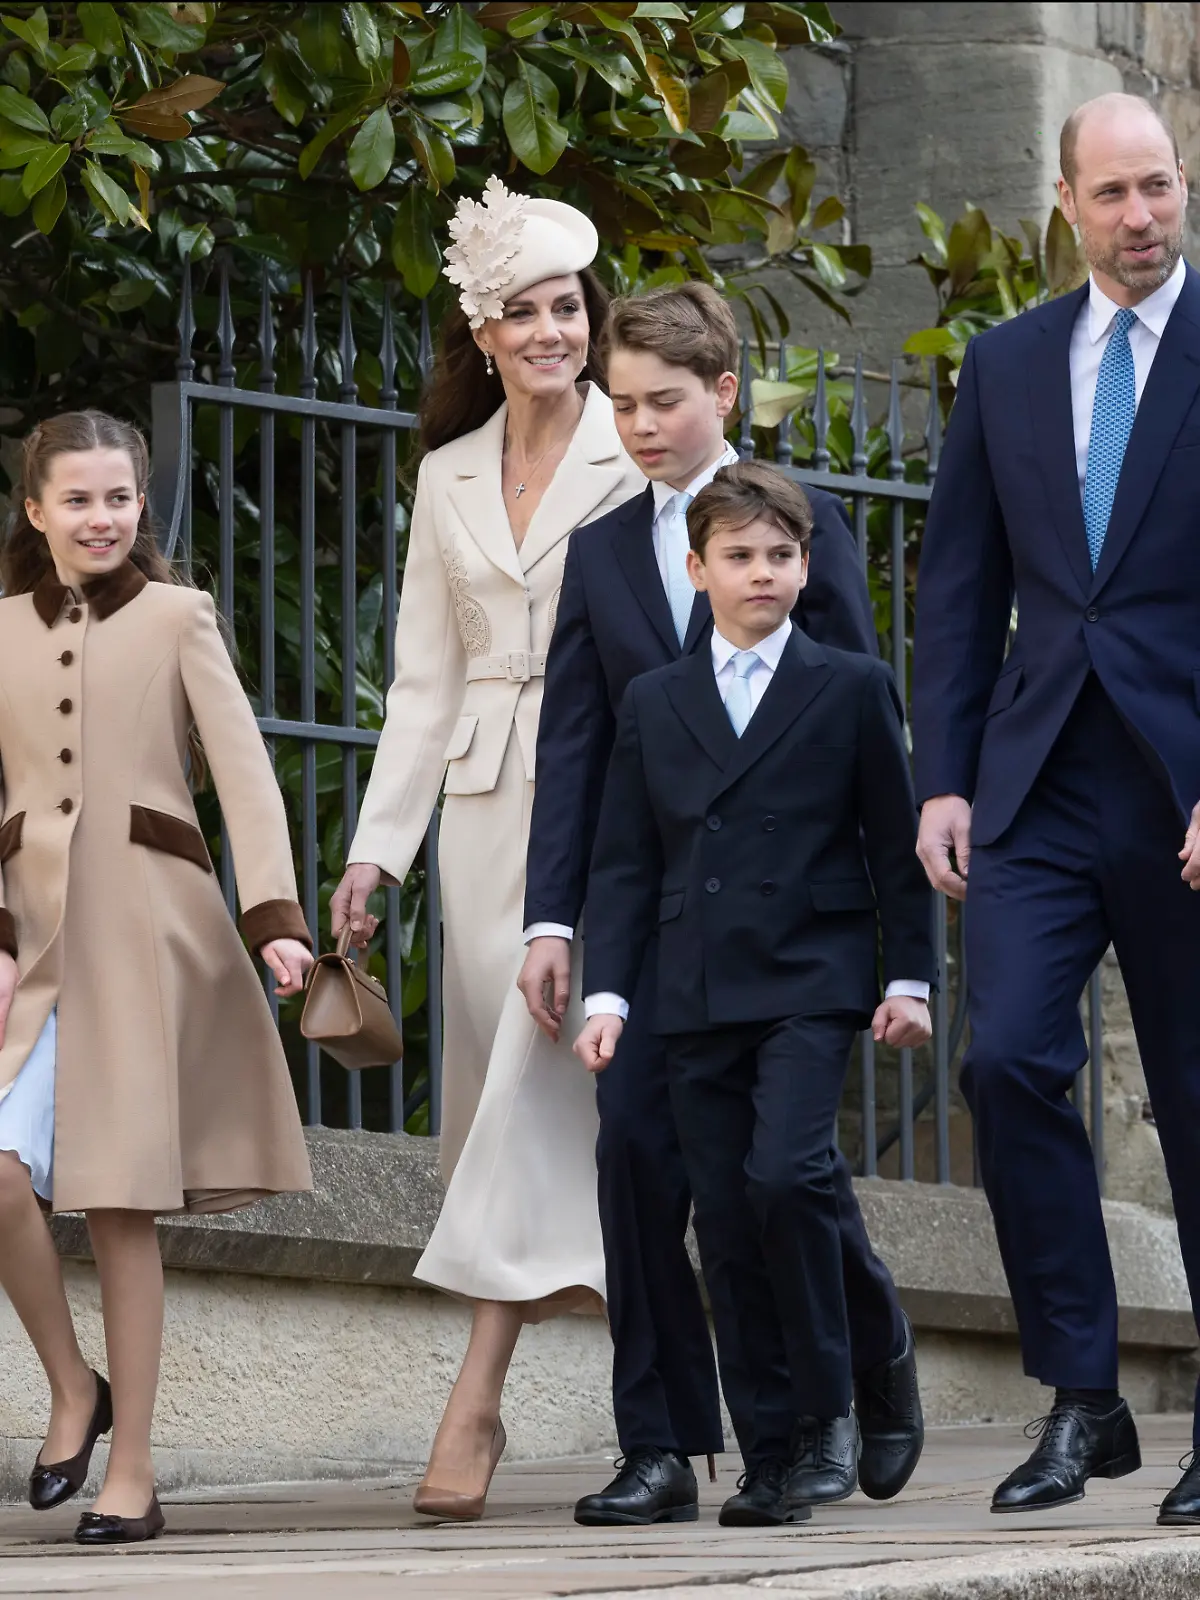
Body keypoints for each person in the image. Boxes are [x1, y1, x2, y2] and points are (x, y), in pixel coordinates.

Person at [520, 285, 926, 1527]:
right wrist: (556, 925)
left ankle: (868, 1355)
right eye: (621, 404)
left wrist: (892, 954)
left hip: (792, 942)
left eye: (662, 403)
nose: (638, 426)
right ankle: (661, 1443)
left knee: (782, 1176)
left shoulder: (799, 530)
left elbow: (861, 726)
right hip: (664, 941)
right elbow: (580, 750)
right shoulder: (599, 551)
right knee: (636, 1154)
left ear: (724, 395)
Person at [330, 177, 643, 1520]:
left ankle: (477, 1396)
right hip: (474, 814)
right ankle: (726, 1384)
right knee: (535, 1112)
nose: (551, 331)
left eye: (568, 307)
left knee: (545, 1072)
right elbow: (421, 679)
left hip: (609, 806)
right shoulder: (444, 474)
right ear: (486, 332)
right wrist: (373, 856)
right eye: (523, 312)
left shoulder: (640, 451)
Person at [911, 92, 1200, 1522]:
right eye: (1115, 195)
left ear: (1183, 186)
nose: (1140, 218)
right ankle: (1084, 1398)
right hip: (1033, 782)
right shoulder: (1010, 363)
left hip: (1183, 783)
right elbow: (959, 585)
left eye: (1160, 189)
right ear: (1069, 203)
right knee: (1008, 1065)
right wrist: (945, 777)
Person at [0, 409, 313, 1545]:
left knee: (124, 1202)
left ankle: (130, 1470)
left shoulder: (182, 616)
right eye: (76, 498)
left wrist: (274, 913)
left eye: (119, 497)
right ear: (35, 511)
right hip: (31, 947)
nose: (100, 516)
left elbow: (246, 774)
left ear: (144, 505)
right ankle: (74, 1387)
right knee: (0, 1171)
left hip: (146, 933)